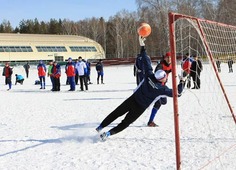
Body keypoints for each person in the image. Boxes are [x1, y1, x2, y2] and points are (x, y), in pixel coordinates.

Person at [95, 36, 186, 141]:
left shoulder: (149, 75)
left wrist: (142, 46)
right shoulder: (161, 89)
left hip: (132, 99)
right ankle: (107, 134)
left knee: (116, 113)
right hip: (140, 107)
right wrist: (182, 81)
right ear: (162, 80)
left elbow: (146, 61)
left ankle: (100, 127)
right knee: (125, 123)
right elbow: (177, 93)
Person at [147, 52, 172, 127]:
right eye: (168, 57)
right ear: (165, 58)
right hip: (157, 87)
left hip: (163, 86)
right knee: (158, 103)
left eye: (170, 57)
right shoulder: (161, 65)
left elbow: (171, 70)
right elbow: (156, 74)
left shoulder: (171, 65)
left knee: (164, 101)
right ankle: (150, 121)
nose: (169, 59)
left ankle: (150, 100)